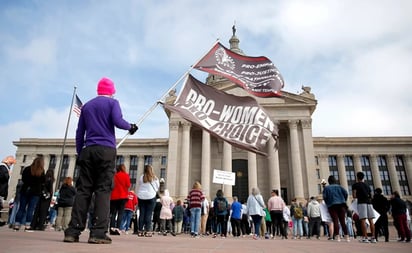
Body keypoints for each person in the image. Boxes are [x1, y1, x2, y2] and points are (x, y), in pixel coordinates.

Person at [63, 77, 138, 244]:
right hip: (106, 150)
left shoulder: (87, 106)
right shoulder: (113, 103)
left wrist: (79, 152)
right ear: (111, 91)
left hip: (88, 150)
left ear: (98, 90)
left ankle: (73, 231)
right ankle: (97, 232)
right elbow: (118, 122)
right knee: (103, 191)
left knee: (83, 191)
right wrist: (131, 127)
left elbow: (79, 132)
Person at [14, 156, 46, 231]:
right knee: (31, 209)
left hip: (25, 191)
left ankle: (16, 225)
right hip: (35, 193)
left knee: (21, 208)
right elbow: (43, 182)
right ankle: (27, 226)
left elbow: (23, 179)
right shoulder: (41, 171)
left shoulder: (27, 169)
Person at [323, 175, 350, 242]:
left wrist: (328, 203)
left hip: (332, 206)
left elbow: (324, 197)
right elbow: (346, 193)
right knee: (343, 221)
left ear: (329, 181)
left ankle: (337, 237)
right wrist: (344, 200)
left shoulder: (326, 188)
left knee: (335, 221)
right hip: (341, 205)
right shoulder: (340, 187)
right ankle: (347, 237)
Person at [352, 171, 376, 243]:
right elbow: (371, 196)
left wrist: (359, 195)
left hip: (361, 203)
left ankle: (365, 237)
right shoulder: (368, 186)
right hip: (369, 203)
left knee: (363, 220)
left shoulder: (355, 185)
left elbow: (354, 196)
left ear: (357, 177)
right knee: (371, 221)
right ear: (363, 177)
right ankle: (373, 238)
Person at [136, 164, 160, 237]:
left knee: (142, 213)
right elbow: (157, 187)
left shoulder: (141, 177)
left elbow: (139, 185)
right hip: (151, 197)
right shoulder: (155, 178)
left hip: (141, 197)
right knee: (149, 214)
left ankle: (140, 230)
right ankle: (147, 230)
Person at [109, 164, 131, 235]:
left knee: (113, 213)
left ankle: (112, 228)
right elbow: (128, 185)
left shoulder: (114, 176)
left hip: (114, 197)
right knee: (120, 213)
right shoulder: (126, 175)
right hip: (123, 196)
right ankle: (118, 228)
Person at [0, 155, 16, 225]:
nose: (11, 165)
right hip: (1, 190)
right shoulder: (3, 167)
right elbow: (3, 177)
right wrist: (8, 174)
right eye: (11, 163)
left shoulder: (4, 167)